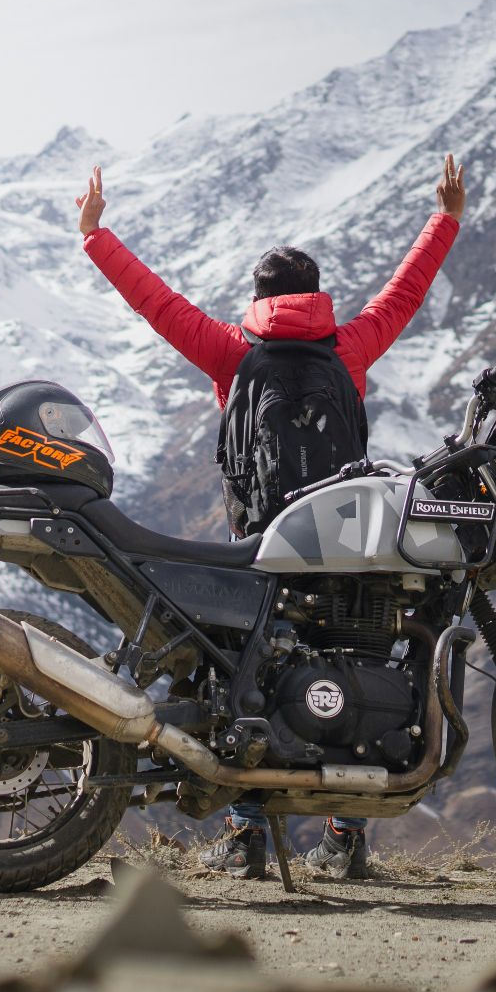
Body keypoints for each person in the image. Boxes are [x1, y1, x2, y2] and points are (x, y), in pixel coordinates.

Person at [76, 155, 467, 880]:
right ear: (317, 297)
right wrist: (443, 220)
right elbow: (404, 293)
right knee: (357, 664)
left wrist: (98, 237)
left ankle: (246, 837)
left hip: (261, 547)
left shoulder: (231, 352)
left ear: (257, 299)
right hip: (348, 543)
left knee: (245, 676)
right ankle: (345, 840)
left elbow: (155, 303)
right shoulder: (347, 347)